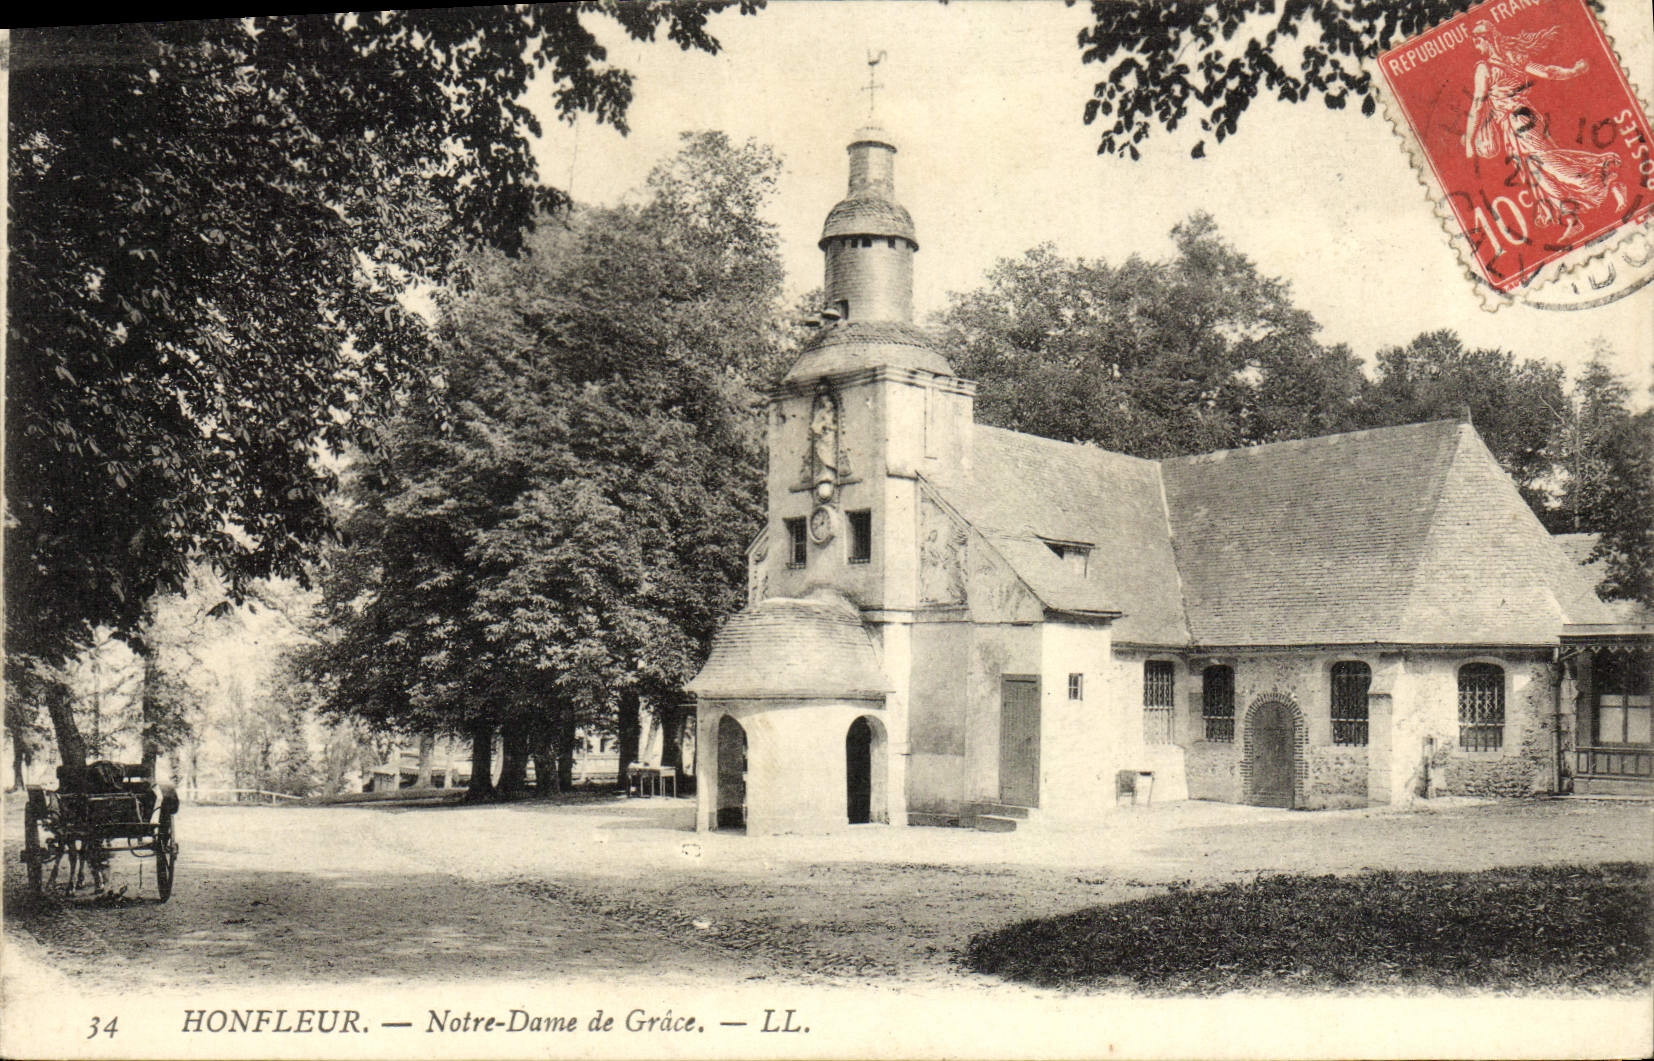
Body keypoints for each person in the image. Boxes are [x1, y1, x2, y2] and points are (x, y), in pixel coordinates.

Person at [1461, 20, 1627, 240]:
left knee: (1552, 165)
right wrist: (1573, 71)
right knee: (1539, 173)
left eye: (1477, 41)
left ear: (1486, 39)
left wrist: (1470, 140)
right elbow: (1549, 72)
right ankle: (1571, 218)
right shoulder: (1514, 58)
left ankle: (1608, 176)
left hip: (1518, 123)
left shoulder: (1485, 69)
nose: (1476, 46)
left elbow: (1477, 104)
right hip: (1525, 119)